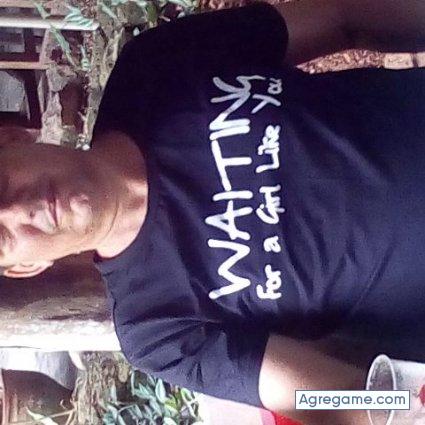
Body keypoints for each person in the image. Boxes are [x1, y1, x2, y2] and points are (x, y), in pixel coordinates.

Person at [0, 1, 425, 423]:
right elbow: (322, 396)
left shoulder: (151, 68)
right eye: (3, 237)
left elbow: (345, 18)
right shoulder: (155, 331)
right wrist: (393, 407)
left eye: (1, 186)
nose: (20, 208)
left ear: (13, 140)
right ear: (26, 266)